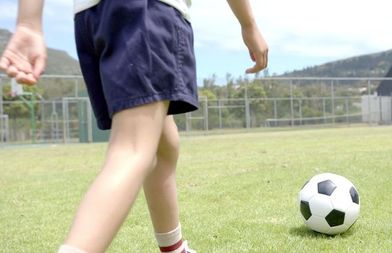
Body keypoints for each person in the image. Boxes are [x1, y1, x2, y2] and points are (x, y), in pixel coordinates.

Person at [0, 0, 268, 252]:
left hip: (92, 17)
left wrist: (28, 21)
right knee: (132, 149)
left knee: (164, 144)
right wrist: (249, 24)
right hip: (147, 13)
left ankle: (174, 247)